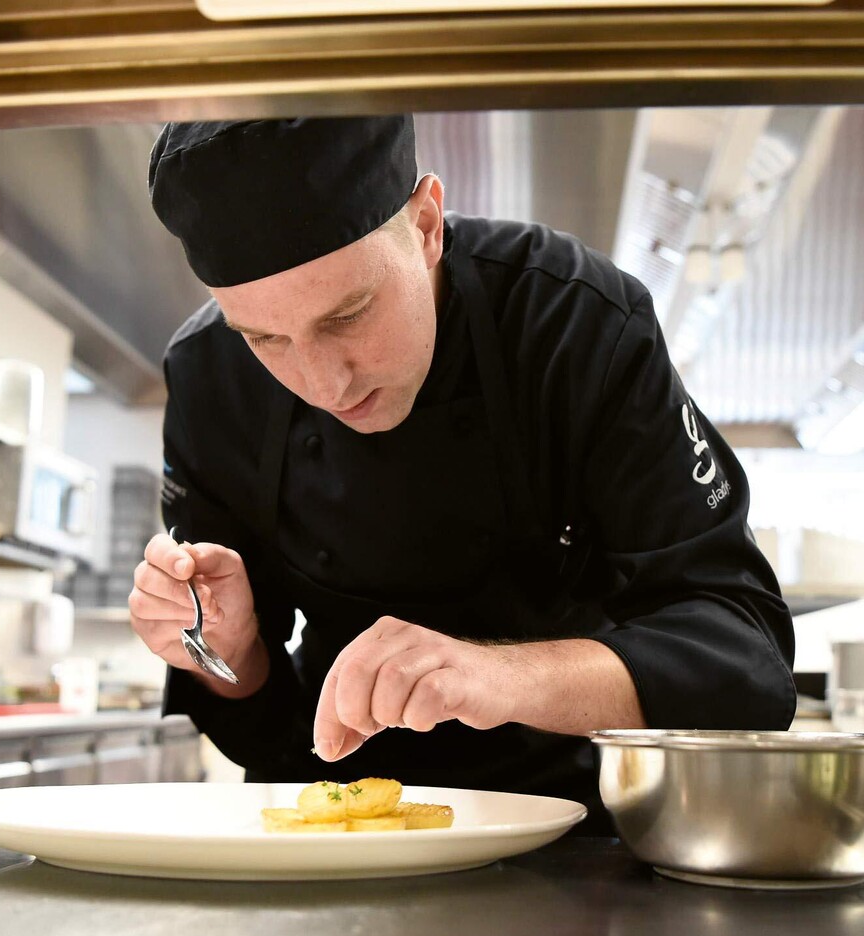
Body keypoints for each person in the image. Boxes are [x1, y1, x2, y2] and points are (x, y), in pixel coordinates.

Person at [131, 115, 794, 824]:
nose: (325, 385)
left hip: (569, 831)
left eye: (348, 314)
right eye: (266, 339)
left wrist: (493, 676)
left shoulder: (576, 322)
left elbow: (742, 662)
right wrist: (228, 652)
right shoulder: (209, 376)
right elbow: (257, 722)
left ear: (425, 226)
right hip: (324, 832)